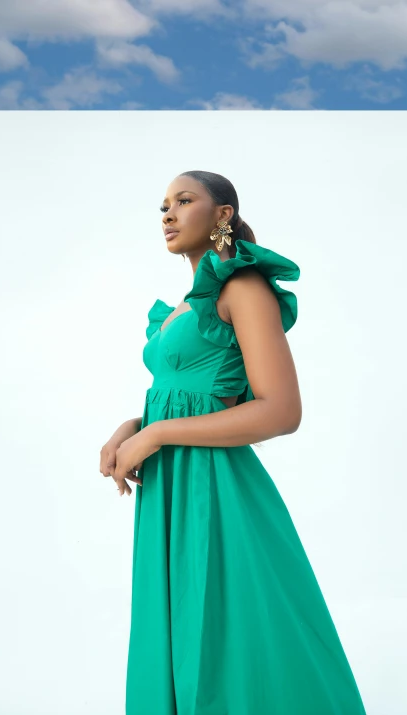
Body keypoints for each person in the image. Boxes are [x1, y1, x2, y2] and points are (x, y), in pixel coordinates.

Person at [100, 170, 367, 714]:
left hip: (211, 490)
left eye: (184, 200)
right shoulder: (181, 306)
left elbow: (281, 410)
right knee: (181, 631)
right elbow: (186, 393)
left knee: (231, 634)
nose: (168, 214)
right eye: (163, 206)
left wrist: (155, 434)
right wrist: (133, 424)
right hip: (171, 488)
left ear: (223, 213)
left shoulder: (241, 287)